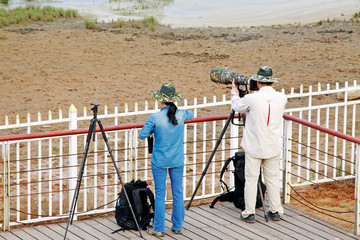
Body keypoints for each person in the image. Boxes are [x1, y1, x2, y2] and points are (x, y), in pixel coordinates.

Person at [230, 66, 287, 223]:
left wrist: (235, 92)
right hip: (273, 145)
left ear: (258, 82)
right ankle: (275, 210)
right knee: (273, 179)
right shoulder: (282, 97)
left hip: (255, 146)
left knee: (251, 179)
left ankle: (249, 213)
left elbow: (236, 106)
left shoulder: (252, 99)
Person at [139, 82, 194, 237]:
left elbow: (142, 134)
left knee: (160, 193)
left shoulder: (155, 117)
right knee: (177, 192)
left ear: (160, 100)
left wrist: (152, 130)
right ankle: (178, 226)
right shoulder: (181, 114)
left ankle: (159, 228)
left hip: (160, 160)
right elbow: (191, 114)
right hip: (177, 159)